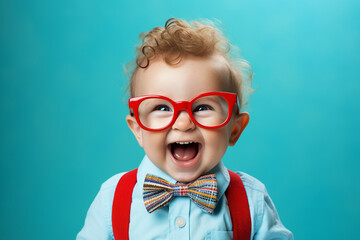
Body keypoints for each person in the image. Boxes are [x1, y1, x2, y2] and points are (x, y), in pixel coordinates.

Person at [77, 18, 293, 240]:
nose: (183, 123)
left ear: (235, 129)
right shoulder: (112, 199)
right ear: (138, 130)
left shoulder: (251, 200)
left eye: (202, 107)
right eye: (162, 107)